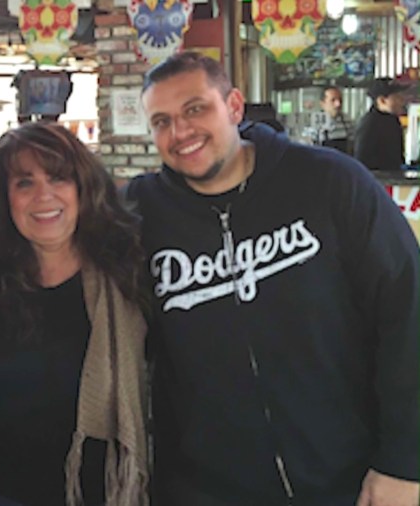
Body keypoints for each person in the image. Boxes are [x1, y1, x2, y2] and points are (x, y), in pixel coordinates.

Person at [124, 51, 419, 506]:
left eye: (195, 109)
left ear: (235, 107)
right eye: (161, 121)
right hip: (203, 490)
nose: (180, 132)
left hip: (349, 480)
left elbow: (406, 312)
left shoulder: (329, 182)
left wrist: (405, 460)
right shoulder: (140, 216)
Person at [0, 122, 148, 506]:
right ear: (5, 198)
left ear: (83, 188)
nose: (43, 195)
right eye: (24, 183)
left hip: (100, 495)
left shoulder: (128, 276)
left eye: (59, 178)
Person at [354, 78, 410, 171]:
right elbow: (361, 160)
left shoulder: (393, 120)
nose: (402, 101)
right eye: (397, 97)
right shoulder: (369, 124)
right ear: (382, 100)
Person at [314, 85, 353, 154]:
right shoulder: (316, 122)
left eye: (340, 100)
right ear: (323, 104)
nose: (338, 104)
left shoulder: (348, 121)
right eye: (333, 100)